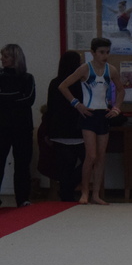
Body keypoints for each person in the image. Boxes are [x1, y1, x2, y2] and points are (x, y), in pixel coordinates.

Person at [59, 37, 123, 205]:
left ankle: (96, 194)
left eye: (107, 52)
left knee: (101, 157)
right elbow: (63, 86)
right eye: (101, 52)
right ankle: (84, 192)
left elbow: (121, 90)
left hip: (103, 115)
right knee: (91, 155)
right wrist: (77, 104)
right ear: (93, 53)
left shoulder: (111, 70)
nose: (105, 56)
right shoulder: (85, 69)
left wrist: (116, 108)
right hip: (88, 115)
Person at [44, 51, 85, 202]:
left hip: (59, 130)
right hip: (77, 130)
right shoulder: (81, 83)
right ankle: (67, 189)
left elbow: (50, 108)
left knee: (65, 168)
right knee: (89, 161)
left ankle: (66, 193)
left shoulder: (55, 83)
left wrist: (48, 131)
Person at [0, 43, 36, 208]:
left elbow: (28, 100)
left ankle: (22, 199)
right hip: (2, 127)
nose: (2, 59)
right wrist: (15, 96)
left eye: (6, 56)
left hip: (22, 128)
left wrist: (5, 98)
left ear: (16, 58)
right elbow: (19, 99)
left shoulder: (27, 78)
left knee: (22, 164)